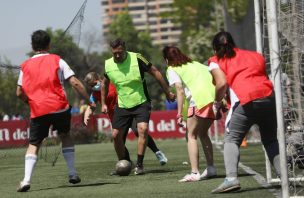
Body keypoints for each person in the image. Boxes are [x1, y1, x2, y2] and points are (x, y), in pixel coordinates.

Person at [16, 30, 90, 192]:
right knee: (65, 136)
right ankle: (72, 173)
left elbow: (19, 93)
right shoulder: (57, 60)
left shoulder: (25, 65)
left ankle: (26, 180)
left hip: (39, 109)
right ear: (49, 44)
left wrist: (32, 102)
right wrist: (90, 102)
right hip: (59, 108)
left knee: (34, 144)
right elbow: (75, 83)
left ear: (32, 46)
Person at [209, 31, 281, 193]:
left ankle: (231, 179)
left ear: (215, 48)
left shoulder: (215, 60)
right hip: (269, 97)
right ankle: (284, 176)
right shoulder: (256, 55)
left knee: (232, 139)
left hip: (246, 99)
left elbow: (221, 83)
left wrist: (216, 103)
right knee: (270, 140)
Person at [101, 39, 175, 175]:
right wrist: (103, 103)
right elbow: (104, 84)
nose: (117, 56)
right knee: (116, 135)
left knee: (142, 129)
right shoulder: (108, 64)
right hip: (122, 104)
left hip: (141, 101)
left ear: (124, 48)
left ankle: (139, 165)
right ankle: (122, 163)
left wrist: (167, 92)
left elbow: (156, 72)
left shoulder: (137, 58)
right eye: (114, 53)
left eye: (120, 52)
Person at [83, 72, 167, 167]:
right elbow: (91, 106)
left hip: (128, 112)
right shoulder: (94, 94)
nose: (94, 87)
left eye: (94, 84)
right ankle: (126, 163)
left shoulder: (112, 84)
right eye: (91, 86)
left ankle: (157, 152)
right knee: (119, 141)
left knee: (138, 131)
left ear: (100, 79)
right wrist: (86, 115)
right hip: (116, 118)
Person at [163, 46, 219, 182]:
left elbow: (179, 90)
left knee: (191, 135)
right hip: (214, 99)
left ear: (166, 60)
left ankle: (194, 172)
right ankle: (211, 168)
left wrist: (179, 114)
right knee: (203, 133)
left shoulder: (172, 68)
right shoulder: (196, 64)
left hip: (198, 101)